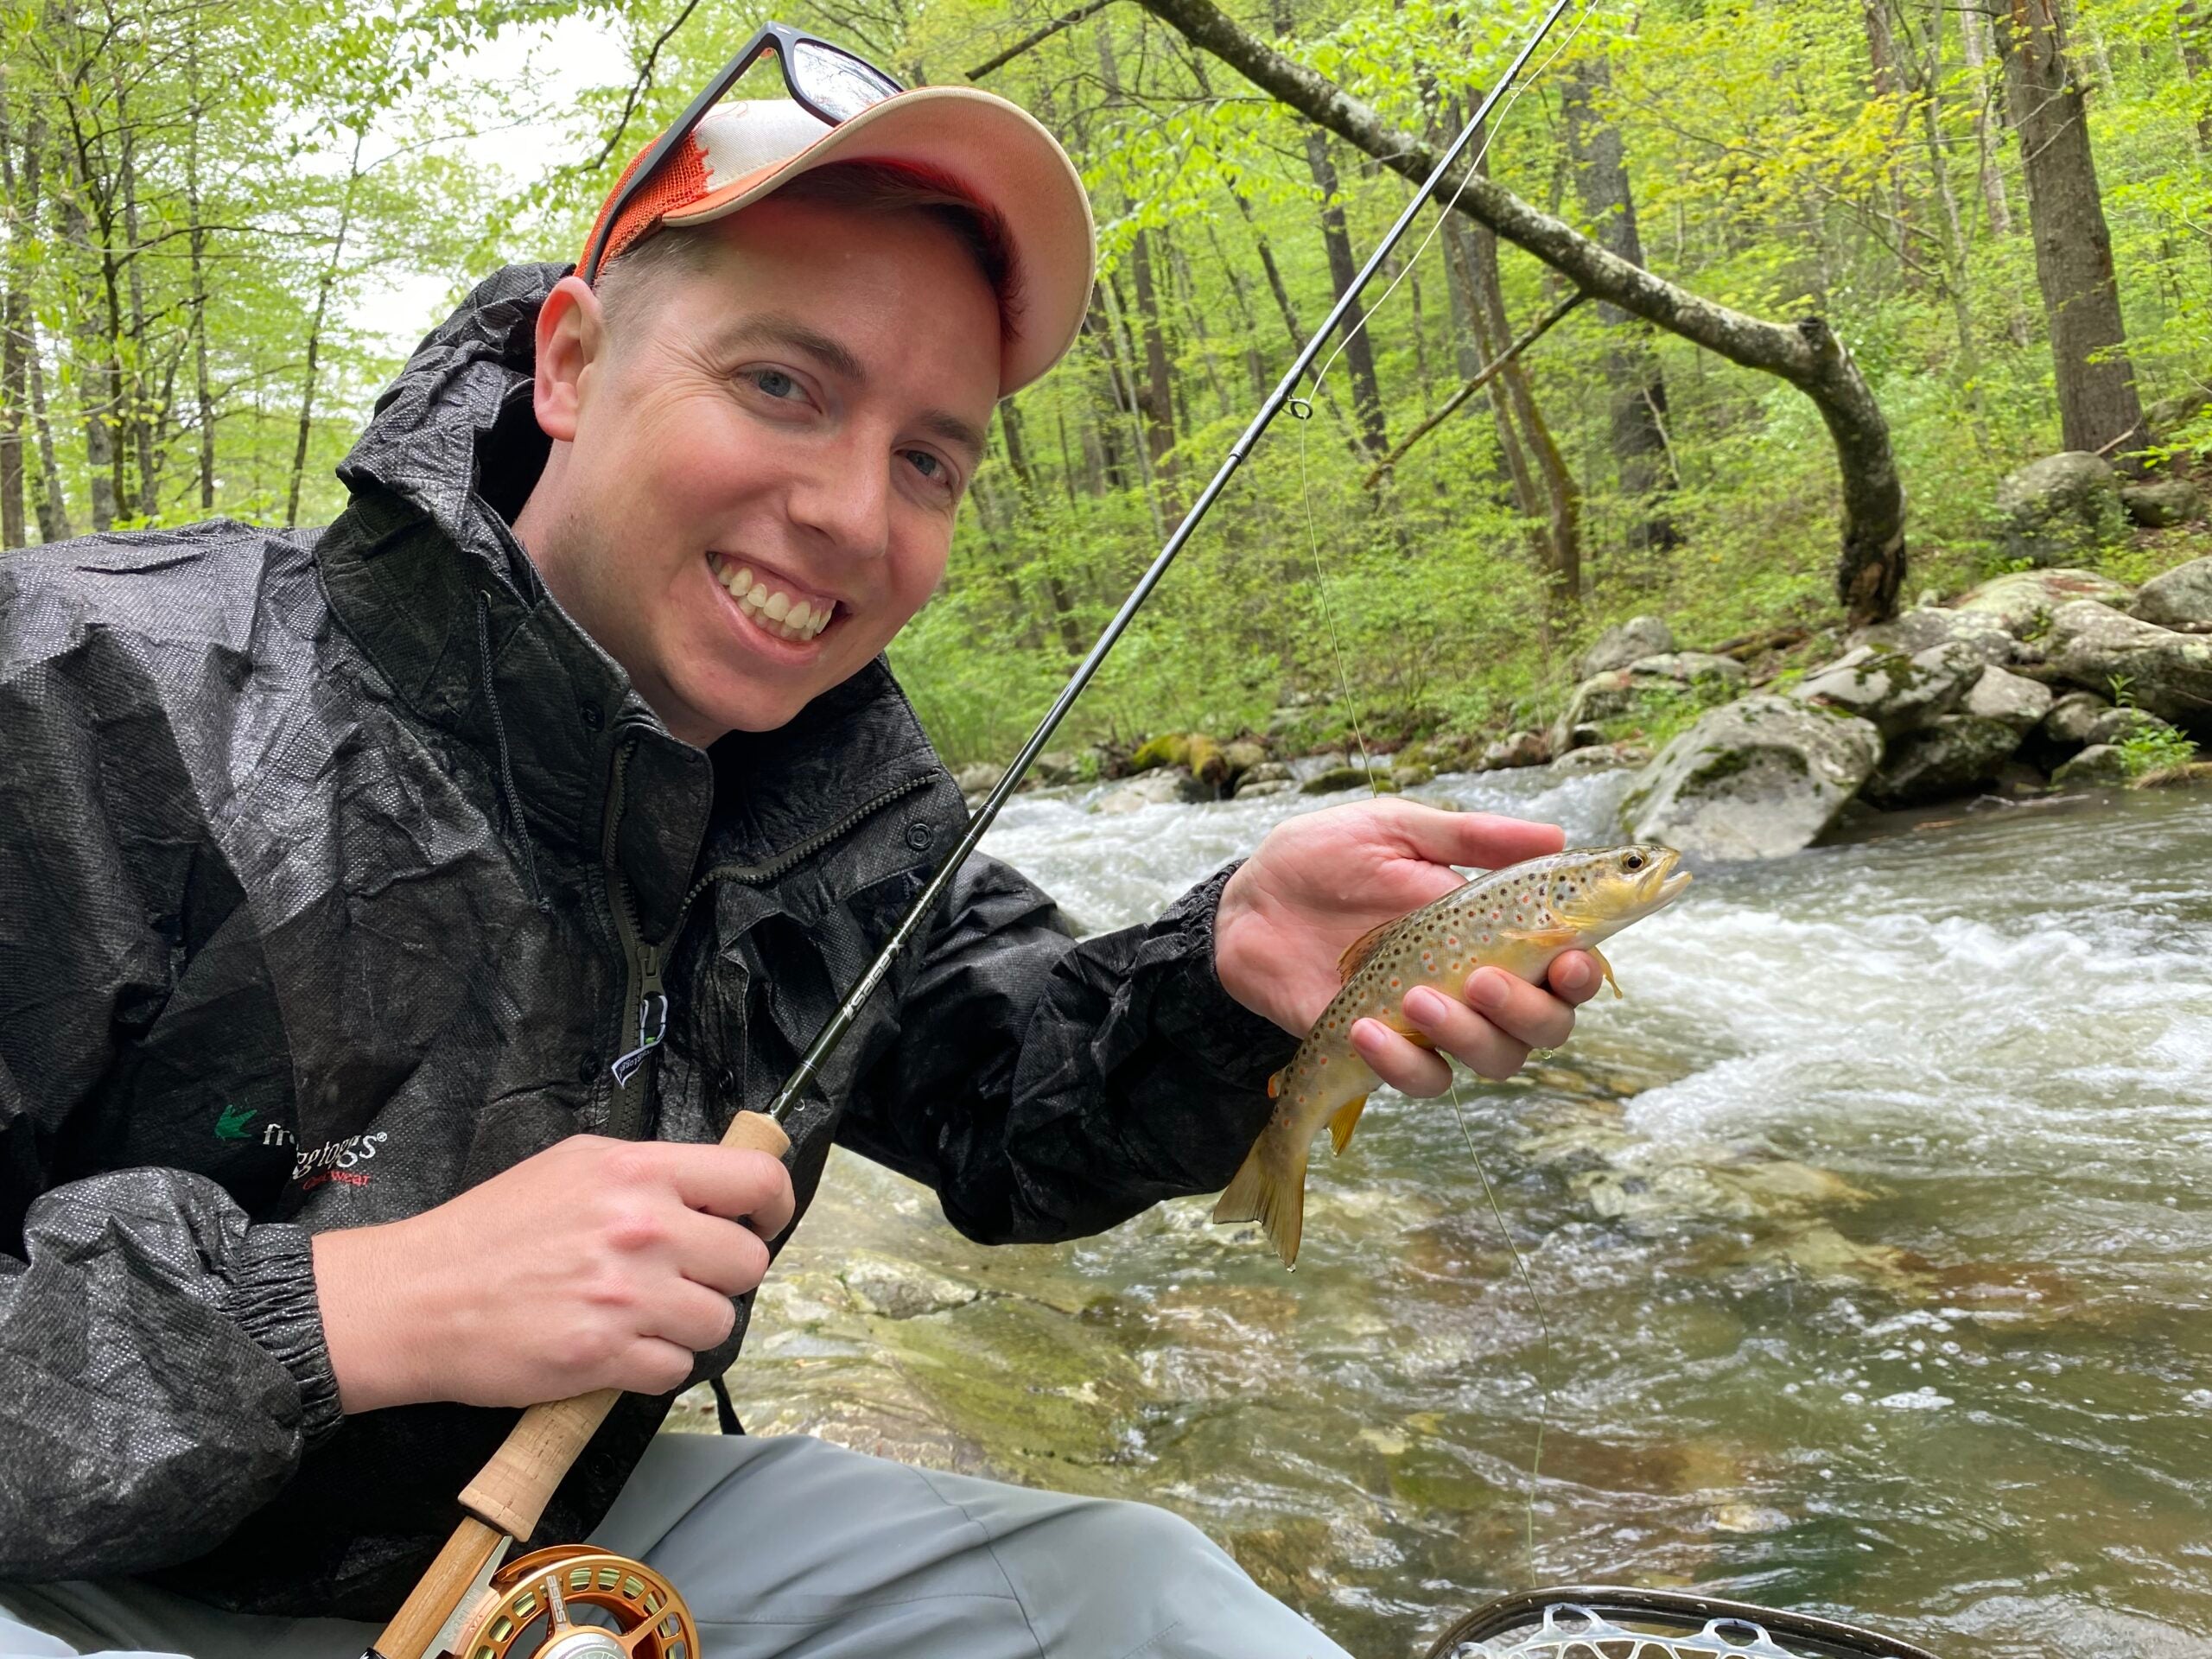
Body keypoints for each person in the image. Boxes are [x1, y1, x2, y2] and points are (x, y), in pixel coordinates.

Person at [0, 30, 1600, 1659]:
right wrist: (353, 1308)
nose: (852, 511)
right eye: (782, 384)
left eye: (928, 458)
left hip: (555, 1544)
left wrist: (1229, 976)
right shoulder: (78, 689)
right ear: (566, 362)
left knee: (1144, 1600)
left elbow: (1014, 1116)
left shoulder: (840, 810)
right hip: (63, 1578)